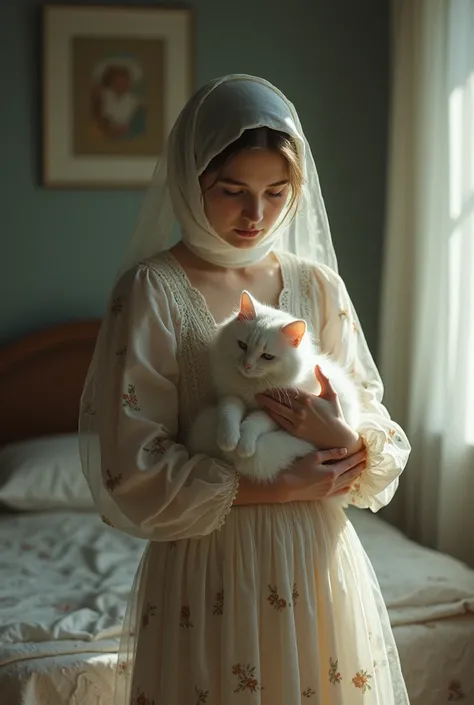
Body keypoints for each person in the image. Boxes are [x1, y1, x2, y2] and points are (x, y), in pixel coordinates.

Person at [80, 74, 411, 704]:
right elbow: (132, 463)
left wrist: (342, 440)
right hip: (209, 567)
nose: (255, 214)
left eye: (275, 192)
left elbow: (373, 425)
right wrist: (278, 485)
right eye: (232, 191)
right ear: (189, 179)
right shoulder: (152, 291)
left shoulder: (316, 288)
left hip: (316, 560)